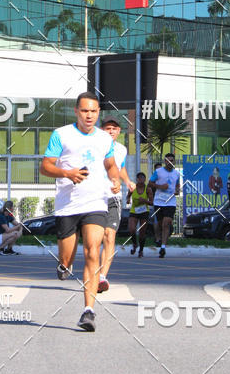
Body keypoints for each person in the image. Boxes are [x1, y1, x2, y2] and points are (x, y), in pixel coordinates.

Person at [40, 91, 120, 332]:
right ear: (76, 111)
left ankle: (88, 312)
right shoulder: (61, 135)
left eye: (93, 111)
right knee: (66, 258)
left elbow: (110, 165)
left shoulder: (105, 139)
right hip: (68, 205)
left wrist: (115, 179)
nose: (89, 115)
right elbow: (45, 166)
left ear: (98, 113)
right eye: (85, 111)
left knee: (93, 251)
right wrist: (67, 173)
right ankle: (64, 265)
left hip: (96, 202)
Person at [97, 116, 134, 293]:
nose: (110, 131)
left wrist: (127, 181)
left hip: (114, 197)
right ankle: (91, 270)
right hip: (95, 196)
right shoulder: (94, 146)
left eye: (114, 128)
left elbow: (121, 168)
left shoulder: (122, 149)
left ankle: (102, 277)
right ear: (101, 130)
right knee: (94, 239)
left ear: (119, 131)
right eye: (107, 128)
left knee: (109, 236)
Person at [152, 153, 181, 258]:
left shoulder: (176, 174)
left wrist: (177, 190)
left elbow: (177, 185)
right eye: (168, 161)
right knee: (160, 224)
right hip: (159, 201)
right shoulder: (159, 172)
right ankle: (160, 239)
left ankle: (163, 247)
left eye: (172, 161)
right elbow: (150, 183)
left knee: (166, 223)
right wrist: (160, 186)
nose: (170, 163)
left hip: (170, 202)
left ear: (174, 162)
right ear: (165, 161)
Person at [127, 172, 151, 257]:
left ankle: (141, 250)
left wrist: (145, 201)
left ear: (145, 179)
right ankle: (134, 243)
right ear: (137, 179)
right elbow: (128, 196)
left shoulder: (148, 189)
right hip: (134, 211)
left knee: (142, 232)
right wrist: (128, 200)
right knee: (131, 229)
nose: (141, 180)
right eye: (139, 178)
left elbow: (152, 202)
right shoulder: (133, 188)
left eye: (143, 179)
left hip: (144, 211)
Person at [147, 162, 162, 245]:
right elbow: (149, 190)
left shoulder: (165, 178)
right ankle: (157, 239)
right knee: (156, 221)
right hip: (156, 203)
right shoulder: (153, 180)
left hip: (165, 203)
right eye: (157, 169)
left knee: (164, 221)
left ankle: (162, 238)